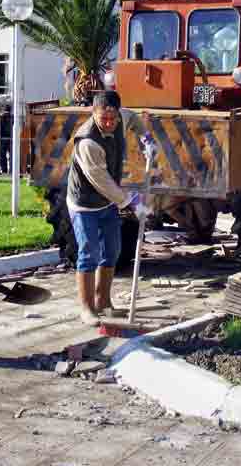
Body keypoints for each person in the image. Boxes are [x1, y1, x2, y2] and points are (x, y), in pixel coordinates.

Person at [66, 90, 149, 326]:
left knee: (112, 250)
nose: (109, 123)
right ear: (94, 113)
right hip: (84, 204)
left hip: (106, 202)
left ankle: (103, 302)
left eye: (113, 119)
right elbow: (100, 180)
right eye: (104, 119)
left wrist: (145, 138)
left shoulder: (120, 118)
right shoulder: (88, 141)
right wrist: (131, 202)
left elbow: (132, 118)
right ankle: (87, 308)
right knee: (89, 252)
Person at [0, 106, 13, 175]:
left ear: (4, 110)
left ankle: (4, 170)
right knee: (12, 155)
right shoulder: (13, 118)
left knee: (2, 155)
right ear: (10, 110)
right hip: (11, 139)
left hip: (2, 139)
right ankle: (12, 169)